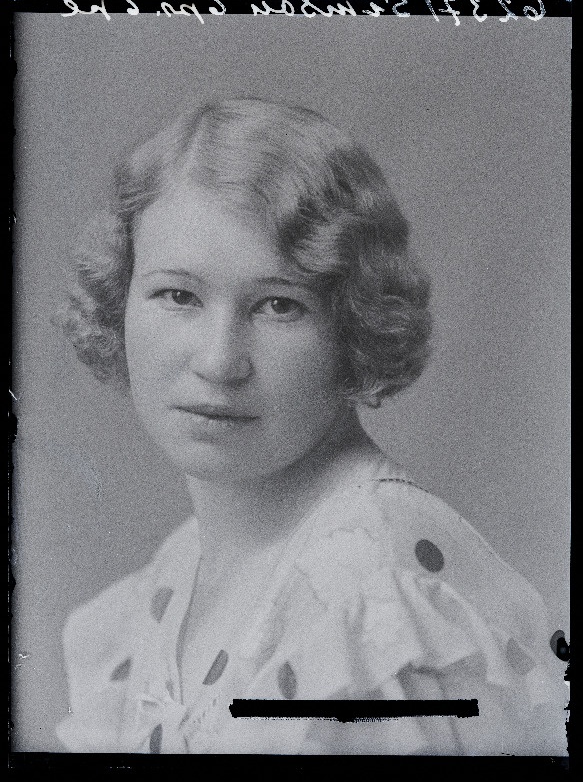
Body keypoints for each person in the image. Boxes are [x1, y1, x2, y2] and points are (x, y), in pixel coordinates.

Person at [55, 98, 566, 755]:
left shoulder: (367, 588)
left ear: (353, 325)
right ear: (119, 301)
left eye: (278, 305)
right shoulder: (168, 580)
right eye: (178, 296)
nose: (219, 361)